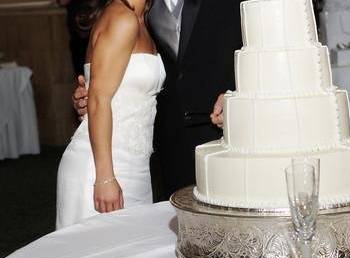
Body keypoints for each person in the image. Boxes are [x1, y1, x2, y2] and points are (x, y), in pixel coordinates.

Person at [72, 0, 244, 202]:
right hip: (160, 149)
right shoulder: (130, 14)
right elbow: (102, 89)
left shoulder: (142, 13)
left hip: (224, 140)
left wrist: (236, 95)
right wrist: (91, 95)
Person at [56, 0, 165, 229]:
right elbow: (98, 99)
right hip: (103, 168)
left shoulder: (141, 19)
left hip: (134, 166)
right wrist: (105, 177)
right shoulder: (121, 18)